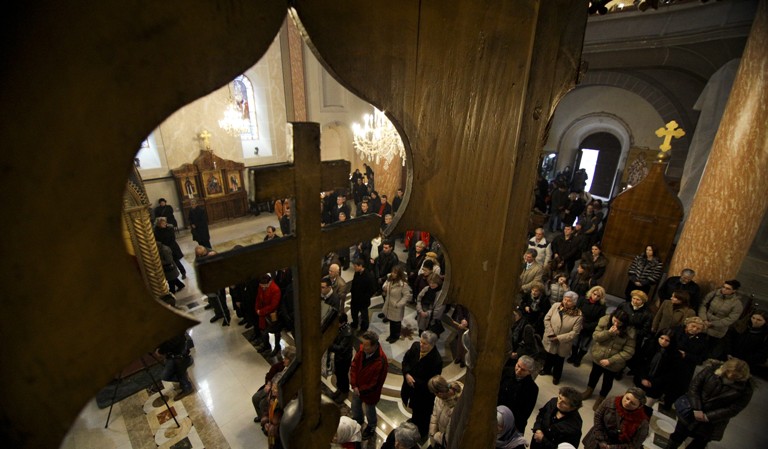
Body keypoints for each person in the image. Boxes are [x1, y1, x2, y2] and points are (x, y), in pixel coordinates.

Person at [666, 358, 754, 449]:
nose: (730, 377)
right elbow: (694, 387)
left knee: (698, 444)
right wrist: (697, 409)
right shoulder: (711, 370)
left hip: (712, 422)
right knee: (677, 435)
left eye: (734, 377)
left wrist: (707, 417)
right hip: (691, 411)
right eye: (728, 374)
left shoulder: (746, 390)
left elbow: (733, 409)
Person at [581, 309, 636, 411]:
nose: (616, 323)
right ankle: (589, 390)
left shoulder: (629, 333)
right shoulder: (604, 322)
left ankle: (601, 398)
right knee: (594, 375)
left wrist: (610, 360)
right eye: (614, 320)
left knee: (607, 381)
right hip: (599, 356)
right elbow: (596, 337)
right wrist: (609, 332)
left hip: (613, 363)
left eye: (619, 323)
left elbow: (628, 352)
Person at [401, 331, 443, 437]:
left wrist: (413, 380)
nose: (421, 345)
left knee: (422, 415)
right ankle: (414, 422)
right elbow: (405, 361)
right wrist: (406, 374)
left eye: (425, 344)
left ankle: (421, 431)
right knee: (415, 412)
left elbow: (431, 382)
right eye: (421, 342)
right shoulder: (415, 346)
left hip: (423, 395)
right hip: (409, 388)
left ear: (432, 345)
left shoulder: (436, 360)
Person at [350, 331, 388, 440]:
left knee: (370, 410)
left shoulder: (381, 361)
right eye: (363, 344)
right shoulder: (362, 350)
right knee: (355, 406)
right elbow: (354, 365)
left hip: (370, 393)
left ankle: (371, 426)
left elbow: (375, 383)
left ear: (374, 346)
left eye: (366, 346)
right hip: (358, 388)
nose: (362, 347)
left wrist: (360, 390)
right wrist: (354, 384)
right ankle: (358, 420)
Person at [665, 317, 709, 412]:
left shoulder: (702, 340)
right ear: (687, 324)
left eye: (698, 329)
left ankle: (668, 404)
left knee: (677, 388)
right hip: (669, 361)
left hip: (685, 367)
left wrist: (687, 355)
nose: (695, 329)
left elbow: (701, 358)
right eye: (693, 326)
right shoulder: (676, 331)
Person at [582, 388, 650, 449]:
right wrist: (601, 439)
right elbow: (598, 417)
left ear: (639, 406)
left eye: (632, 403)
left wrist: (611, 447)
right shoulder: (610, 401)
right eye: (627, 398)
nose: (627, 403)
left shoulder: (642, 423)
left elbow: (634, 445)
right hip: (598, 437)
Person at [541, 291, 583, 385]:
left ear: (574, 302)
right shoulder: (556, 306)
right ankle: (546, 370)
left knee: (559, 361)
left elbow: (575, 332)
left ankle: (556, 376)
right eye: (565, 299)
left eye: (569, 301)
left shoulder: (578, 315)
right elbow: (547, 319)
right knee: (549, 356)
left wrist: (559, 338)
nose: (566, 302)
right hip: (550, 337)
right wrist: (551, 334)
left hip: (563, 342)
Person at [632, 328, 680, 406]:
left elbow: (671, 373)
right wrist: (643, 378)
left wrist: (653, 383)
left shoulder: (675, 355)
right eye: (662, 338)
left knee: (646, 407)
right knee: (633, 402)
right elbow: (640, 362)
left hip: (656, 386)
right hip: (641, 380)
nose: (663, 342)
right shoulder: (650, 344)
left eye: (667, 340)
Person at [698, 279, 743, 360]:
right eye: (723, 287)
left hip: (718, 328)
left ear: (734, 291)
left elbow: (731, 319)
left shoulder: (737, 304)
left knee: (710, 348)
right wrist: (704, 319)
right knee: (698, 343)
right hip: (704, 323)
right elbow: (703, 305)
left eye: (728, 288)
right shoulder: (714, 294)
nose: (724, 289)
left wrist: (713, 323)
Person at [251, 346, 295, 423]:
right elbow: (269, 375)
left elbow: (291, 390)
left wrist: (277, 392)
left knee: (262, 404)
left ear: (291, 361)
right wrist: (268, 384)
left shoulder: (294, 373)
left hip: (279, 394)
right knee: (255, 398)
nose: (283, 360)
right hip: (271, 387)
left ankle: (267, 422)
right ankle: (261, 417)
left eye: (286, 358)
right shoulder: (281, 365)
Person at [497, 355, 539, 433]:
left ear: (529, 372)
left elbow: (525, 412)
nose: (518, 370)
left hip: (513, 422)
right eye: (518, 366)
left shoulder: (532, 388)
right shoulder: (505, 372)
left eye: (523, 370)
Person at [569, 286, 606, 367]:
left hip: (590, 328)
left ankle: (578, 358)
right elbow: (576, 310)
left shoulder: (602, 307)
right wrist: (579, 324)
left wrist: (586, 326)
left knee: (584, 346)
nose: (595, 297)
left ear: (601, 297)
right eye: (594, 294)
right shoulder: (582, 300)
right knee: (575, 342)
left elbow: (599, 320)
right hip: (578, 324)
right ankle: (573, 356)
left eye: (598, 296)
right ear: (591, 293)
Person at [155, 333, 194, 401]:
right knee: (167, 376)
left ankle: (187, 388)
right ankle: (183, 378)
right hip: (173, 354)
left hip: (179, 355)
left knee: (166, 376)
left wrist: (161, 351)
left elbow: (174, 339)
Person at [428, 376, 463, 449]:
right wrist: (432, 431)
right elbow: (435, 414)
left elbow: (449, 437)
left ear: (440, 393)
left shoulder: (455, 409)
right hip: (438, 435)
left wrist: (436, 435)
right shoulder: (439, 398)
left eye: (435, 393)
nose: (435, 395)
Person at [382, 265, 413, 342]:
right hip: (389, 304)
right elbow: (385, 285)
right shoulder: (390, 279)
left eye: (395, 273)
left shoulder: (403, 284)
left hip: (396, 306)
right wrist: (384, 287)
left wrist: (398, 304)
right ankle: (391, 335)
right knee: (392, 322)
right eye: (392, 272)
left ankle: (395, 337)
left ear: (399, 274)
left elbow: (406, 296)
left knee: (396, 323)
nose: (393, 274)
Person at [255, 274, 282, 356]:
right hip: (263, 314)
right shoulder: (261, 286)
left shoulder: (275, 289)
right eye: (261, 286)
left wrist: (261, 311)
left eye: (264, 286)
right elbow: (258, 298)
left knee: (276, 331)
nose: (263, 287)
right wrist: (257, 309)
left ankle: (277, 347)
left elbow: (273, 305)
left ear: (269, 283)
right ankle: (266, 345)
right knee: (263, 331)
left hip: (272, 314)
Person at [329, 313, 354, 403]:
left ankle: (344, 392)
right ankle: (339, 388)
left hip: (344, 358)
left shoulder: (348, 333)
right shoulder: (340, 328)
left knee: (343, 375)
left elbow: (341, 348)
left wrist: (329, 345)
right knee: (338, 374)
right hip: (338, 357)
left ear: (342, 322)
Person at [350, 259, 376, 331]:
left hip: (363, 301)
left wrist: (364, 298)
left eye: (355, 266)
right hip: (355, 299)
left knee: (364, 316)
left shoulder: (368, 276)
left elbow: (372, 290)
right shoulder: (357, 273)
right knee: (354, 313)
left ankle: (364, 328)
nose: (354, 268)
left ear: (360, 266)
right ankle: (355, 323)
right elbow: (354, 283)